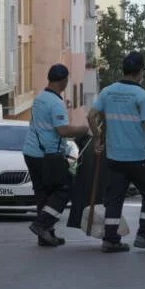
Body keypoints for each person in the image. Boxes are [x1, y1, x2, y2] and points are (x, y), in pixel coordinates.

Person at [87, 51, 145, 253]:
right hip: (138, 156)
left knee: (114, 198)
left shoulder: (107, 92)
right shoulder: (141, 95)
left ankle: (111, 239)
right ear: (140, 72)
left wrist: (97, 138)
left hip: (114, 157)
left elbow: (91, 116)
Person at [23, 63, 90, 247]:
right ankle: (42, 225)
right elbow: (63, 130)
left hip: (31, 152)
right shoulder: (56, 103)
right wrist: (83, 129)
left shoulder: (39, 98)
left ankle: (46, 236)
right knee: (65, 187)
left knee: (44, 193)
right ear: (64, 81)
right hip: (48, 154)